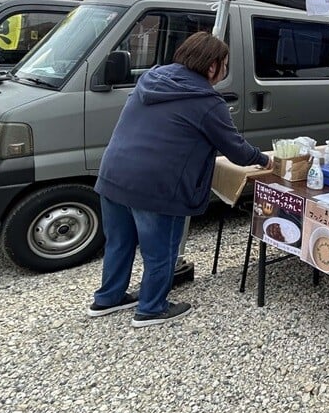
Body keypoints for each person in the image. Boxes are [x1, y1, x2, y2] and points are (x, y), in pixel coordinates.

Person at [89, 32, 272, 327]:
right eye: (224, 64)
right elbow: (236, 150)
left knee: (119, 242)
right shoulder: (206, 101)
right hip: (157, 185)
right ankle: (151, 308)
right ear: (212, 66)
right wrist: (265, 160)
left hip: (113, 173)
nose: (224, 70)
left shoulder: (152, 79)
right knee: (160, 249)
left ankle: (107, 299)